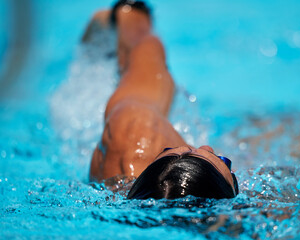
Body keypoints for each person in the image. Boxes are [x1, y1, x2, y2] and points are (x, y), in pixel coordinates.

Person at [84, 0, 238, 199]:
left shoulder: (134, 134)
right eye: (224, 161)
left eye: (168, 151)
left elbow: (144, 47)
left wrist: (131, 13)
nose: (206, 147)